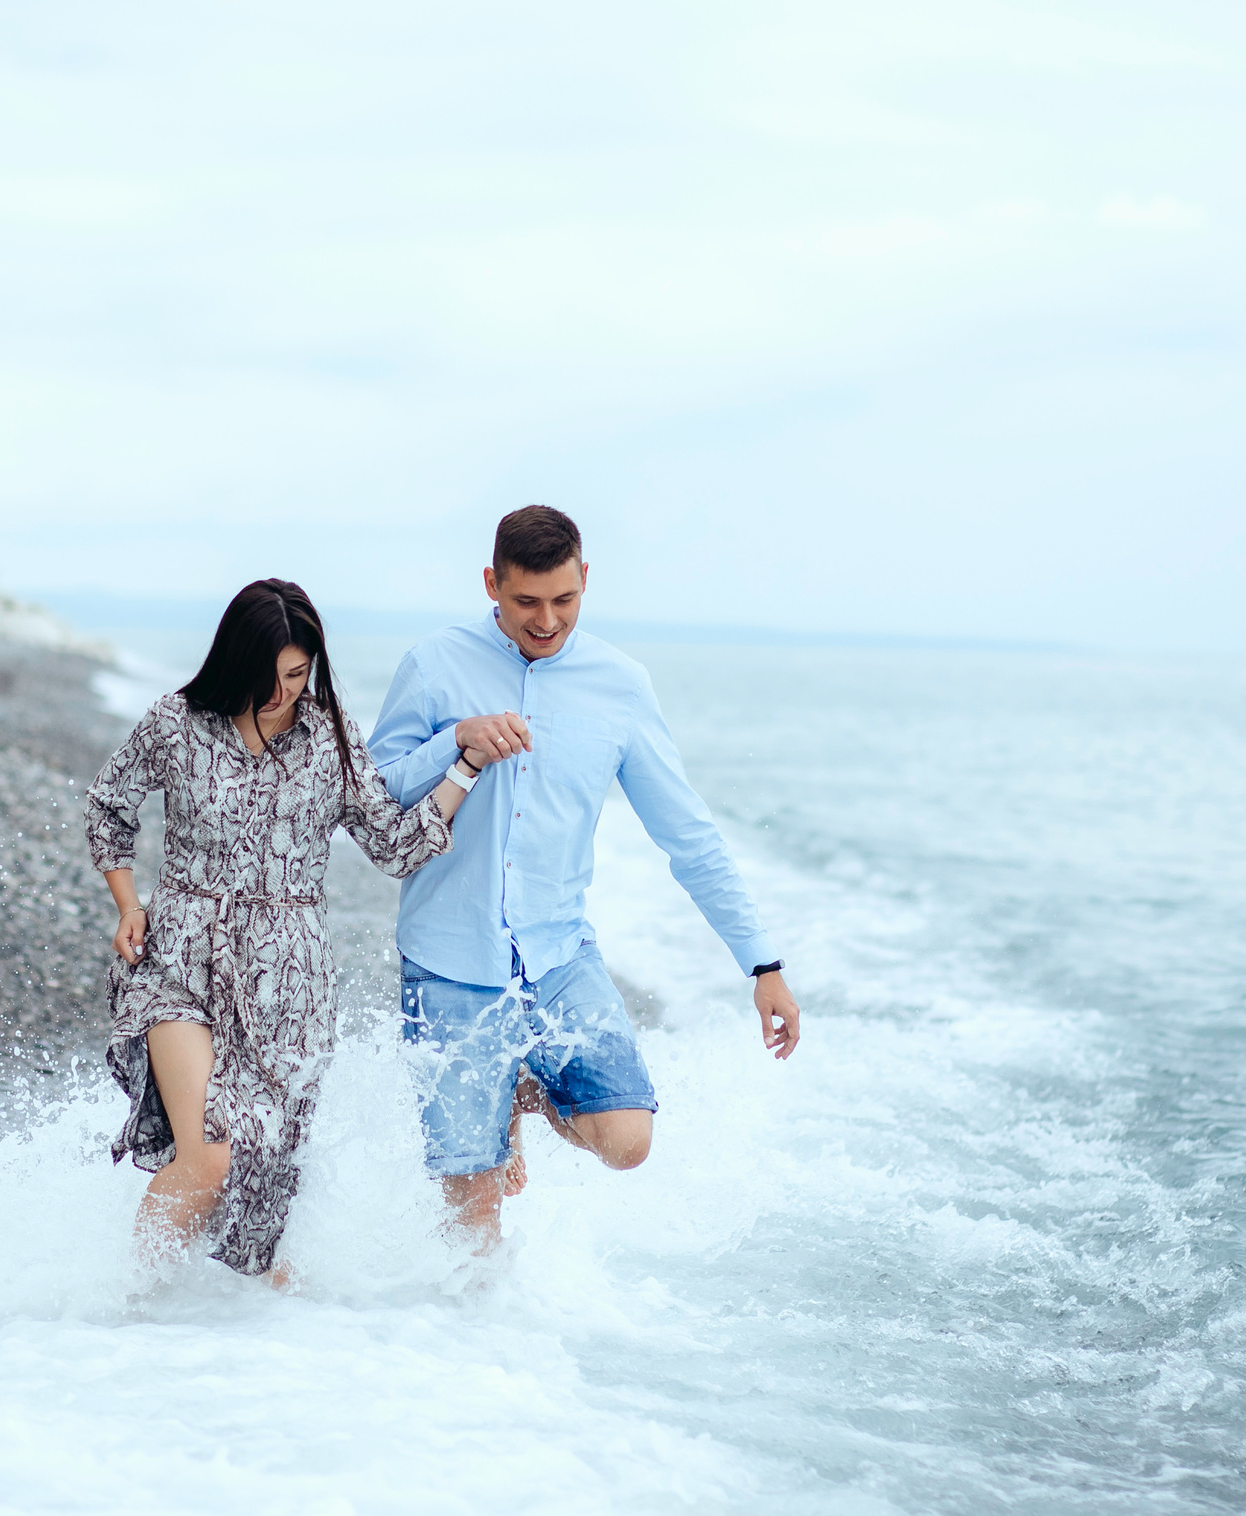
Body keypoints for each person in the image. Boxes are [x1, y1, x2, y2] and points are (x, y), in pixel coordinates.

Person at [368, 505, 801, 1247]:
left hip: (560, 953)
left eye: (564, 600)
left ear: (585, 581)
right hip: (448, 957)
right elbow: (373, 799)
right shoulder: (434, 664)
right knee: (473, 1226)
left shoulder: (621, 685)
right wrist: (456, 740)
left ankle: (520, 1091)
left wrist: (762, 963)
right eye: (526, 601)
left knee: (627, 1139)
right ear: (491, 583)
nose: (546, 620)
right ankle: (477, 1354)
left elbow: (687, 834)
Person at [85, 578, 508, 1281]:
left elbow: (393, 846)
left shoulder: (330, 741)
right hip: (181, 955)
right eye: (270, 674)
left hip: (290, 981)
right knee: (210, 1152)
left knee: (264, 1173)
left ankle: (239, 1325)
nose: (284, 691)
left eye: (298, 672)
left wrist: (463, 763)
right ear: (234, 660)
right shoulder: (176, 721)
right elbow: (109, 806)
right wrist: (128, 903)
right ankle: (129, 1304)